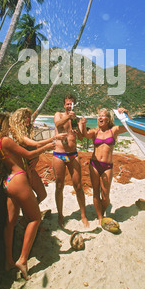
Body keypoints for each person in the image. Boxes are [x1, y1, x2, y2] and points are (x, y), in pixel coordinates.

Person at [0, 113, 55, 280]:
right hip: (19, 179)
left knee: (10, 223)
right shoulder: (6, 140)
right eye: (7, 124)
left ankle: (8, 261)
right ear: (2, 126)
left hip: (9, 182)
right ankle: (22, 259)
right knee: (35, 219)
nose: (9, 127)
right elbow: (28, 155)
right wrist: (47, 148)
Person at [79, 107, 132, 225]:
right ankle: (100, 217)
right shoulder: (95, 132)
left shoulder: (114, 130)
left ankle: (102, 211)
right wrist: (82, 124)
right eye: (99, 116)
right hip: (94, 164)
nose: (100, 118)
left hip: (107, 166)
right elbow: (85, 135)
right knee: (96, 192)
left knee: (105, 196)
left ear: (108, 119)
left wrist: (126, 114)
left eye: (102, 116)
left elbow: (129, 127)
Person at [9, 107, 67, 204]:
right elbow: (35, 144)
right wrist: (54, 138)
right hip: (22, 169)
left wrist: (37, 157)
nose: (29, 119)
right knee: (27, 198)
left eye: (29, 117)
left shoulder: (26, 132)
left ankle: (31, 213)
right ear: (20, 120)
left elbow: (33, 148)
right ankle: (30, 214)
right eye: (26, 117)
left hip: (30, 167)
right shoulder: (16, 134)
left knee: (42, 195)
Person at [53, 94, 89, 228]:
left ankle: (83, 215)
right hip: (59, 154)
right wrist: (68, 116)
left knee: (78, 186)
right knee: (59, 185)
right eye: (67, 104)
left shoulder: (77, 119)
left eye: (72, 103)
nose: (69, 106)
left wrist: (82, 127)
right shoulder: (58, 115)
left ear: (75, 105)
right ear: (64, 105)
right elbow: (57, 124)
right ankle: (60, 215)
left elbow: (79, 138)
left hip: (73, 155)